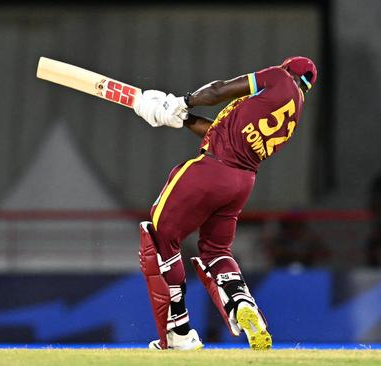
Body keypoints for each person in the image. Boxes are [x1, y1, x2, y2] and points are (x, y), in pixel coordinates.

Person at [133, 57, 317, 350]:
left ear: (288, 70)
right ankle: (244, 303)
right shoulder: (293, 115)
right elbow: (218, 132)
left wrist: (184, 100)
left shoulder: (279, 78)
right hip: (241, 183)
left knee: (158, 237)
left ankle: (178, 332)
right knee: (216, 251)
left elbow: (220, 90)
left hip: (212, 169)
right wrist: (180, 117)